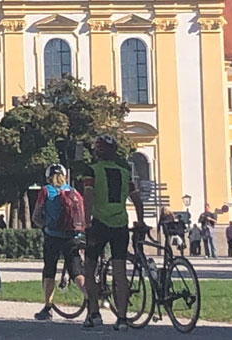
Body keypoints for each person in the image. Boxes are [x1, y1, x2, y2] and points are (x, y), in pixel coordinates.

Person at [80, 134, 146, 332]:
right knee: (120, 271)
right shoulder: (124, 171)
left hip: (99, 224)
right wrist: (141, 220)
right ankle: (123, 319)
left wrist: (86, 221)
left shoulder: (92, 170)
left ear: (96, 152)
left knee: (89, 268)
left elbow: (89, 195)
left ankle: (94, 313)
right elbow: (136, 198)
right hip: (120, 224)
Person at [31, 163, 86, 322]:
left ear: (48, 176)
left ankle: (48, 307)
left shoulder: (46, 190)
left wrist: (44, 225)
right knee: (77, 272)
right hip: (73, 236)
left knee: (49, 271)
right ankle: (91, 303)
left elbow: (35, 216)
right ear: (65, 176)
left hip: (53, 236)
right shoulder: (73, 191)